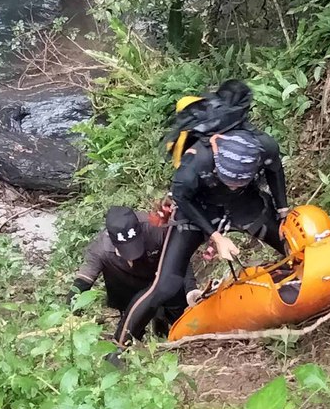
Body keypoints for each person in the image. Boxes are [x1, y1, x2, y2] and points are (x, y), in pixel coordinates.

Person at [115, 83, 289, 346]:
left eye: (239, 180)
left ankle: (300, 287)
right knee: (166, 285)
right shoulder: (194, 165)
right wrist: (216, 237)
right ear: (217, 157)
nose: (232, 183)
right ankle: (122, 344)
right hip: (197, 208)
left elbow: (275, 171)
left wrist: (283, 211)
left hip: (245, 204)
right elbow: (182, 199)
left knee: (288, 242)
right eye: (228, 179)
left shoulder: (264, 146)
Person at [69, 206, 201, 338]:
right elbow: (83, 281)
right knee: (131, 327)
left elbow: (179, 258)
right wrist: (69, 315)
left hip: (160, 276)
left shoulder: (156, 228)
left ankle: (164, 322)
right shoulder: (100, 249)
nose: (131, 257)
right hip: (126, 285)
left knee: (181, 316)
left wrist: (190, 288)